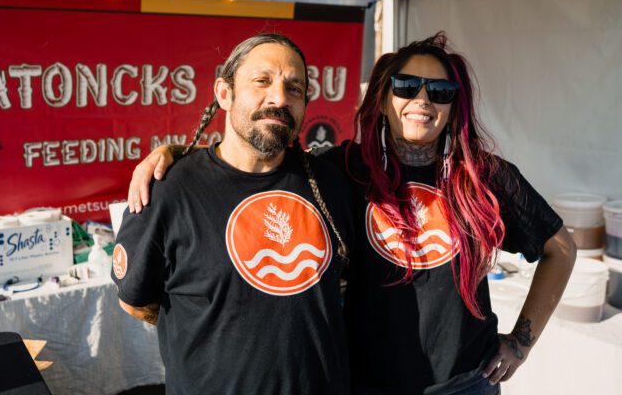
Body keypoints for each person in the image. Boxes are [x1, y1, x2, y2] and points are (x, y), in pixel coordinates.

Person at [127, 32, 576, 394]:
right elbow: (253, 156)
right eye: (406, 86)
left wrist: (521, 343)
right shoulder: (345, 169)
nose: (423, 100)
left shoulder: (483, 176)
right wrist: (177, 154)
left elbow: (561, 249)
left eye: (440, 91)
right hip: (366, 383)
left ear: (454, 105)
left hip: (463, 384)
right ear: (382, 98)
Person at [113, 33, 356, 395]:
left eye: (294, 88)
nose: (279, 98)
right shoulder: (167, 190)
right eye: (262, 81)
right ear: (224, 93)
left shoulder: (330, 183)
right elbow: (135, 301)